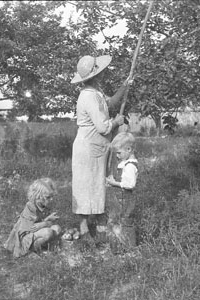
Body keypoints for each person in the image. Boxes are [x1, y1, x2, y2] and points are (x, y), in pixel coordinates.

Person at [71, 55, 132, 243]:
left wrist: (125, 86)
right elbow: (103, 127)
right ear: (94, 76)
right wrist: (116, 122)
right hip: (88, 148)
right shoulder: (88, 97)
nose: (102, 75)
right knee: (85, 187)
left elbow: (111, 103)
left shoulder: (95, 92)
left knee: (97, 186)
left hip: (95, 148)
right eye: (100, 73)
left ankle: (98, 228)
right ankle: (84, 230)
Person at [4, 178, 62, 258]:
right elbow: (31, 228)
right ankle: (30, 251)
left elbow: (38, 224)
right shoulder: (30, 207)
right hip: (24, 238)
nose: (51, 199)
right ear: (38, 196)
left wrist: (48, 219)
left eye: (52, 197)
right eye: (48, 197)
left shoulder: (43, 205)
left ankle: (45, 248)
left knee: (57, 229)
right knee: (48, 232)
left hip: (33, 232)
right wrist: (46, 223)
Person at [106, 132, 138, 252]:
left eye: (119, 153)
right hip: (119, 199)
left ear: (129, 149)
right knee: (115, 222)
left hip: (125, 199)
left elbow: (130, 184)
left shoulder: (130, 166)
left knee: (125, 223)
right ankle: (118, 249)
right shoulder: (124, 163)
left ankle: (129, 249)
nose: (117, 156)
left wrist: (114, 183)